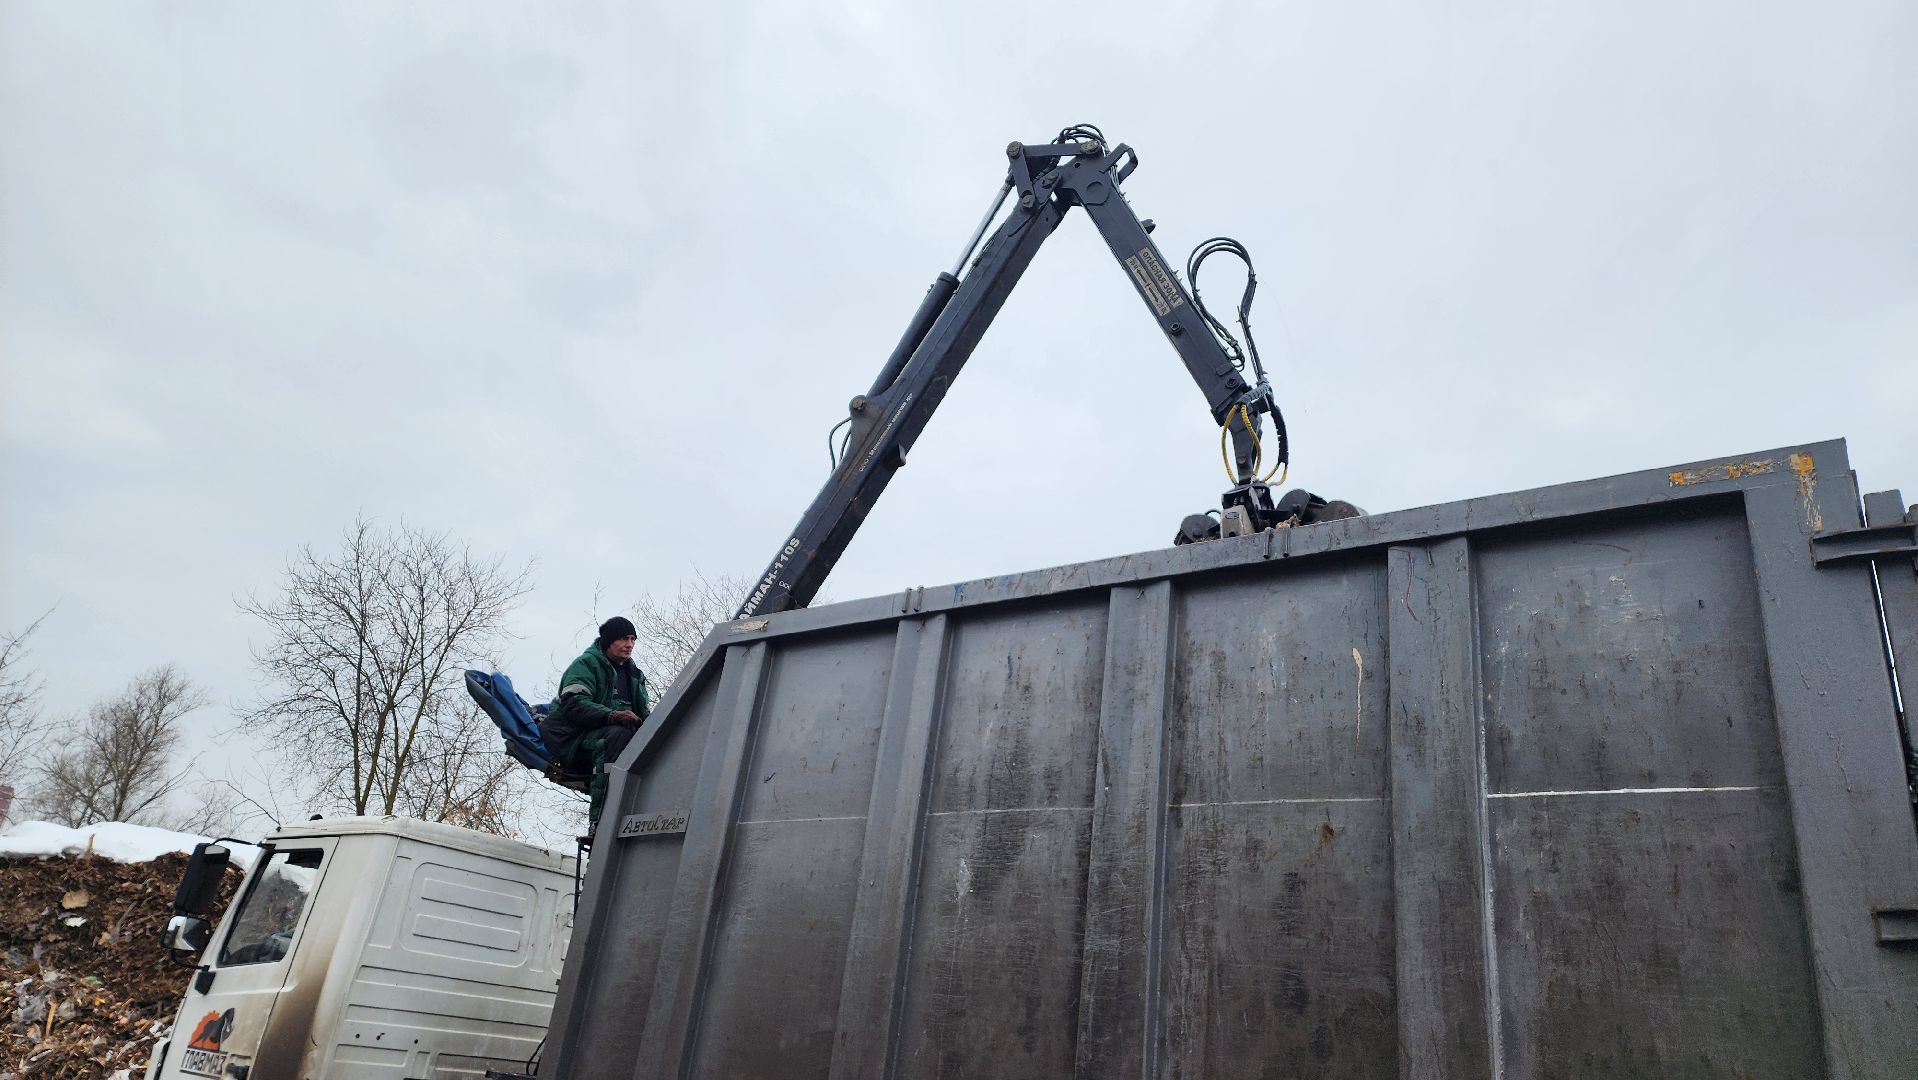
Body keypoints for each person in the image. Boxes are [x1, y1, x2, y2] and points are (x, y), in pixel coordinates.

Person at [543, 616, 652, 825]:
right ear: (608, 641)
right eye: (623, 639)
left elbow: (644, 715)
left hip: (610, 736)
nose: (629, 645)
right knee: (618, 736)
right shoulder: (586, 665)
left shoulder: (635, 675)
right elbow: (573, 704)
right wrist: (613, 716)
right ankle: (601, 820)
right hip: (574, 736)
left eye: (632, 639)